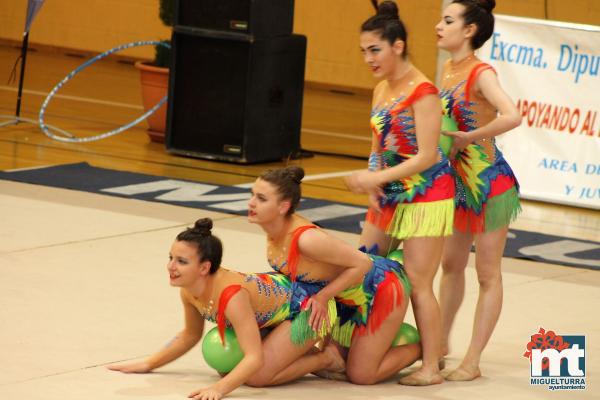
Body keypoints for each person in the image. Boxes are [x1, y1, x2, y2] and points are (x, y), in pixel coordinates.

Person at [108, 218, 343, 400]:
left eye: (182, 261)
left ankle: (326, 358)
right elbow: (190, 335)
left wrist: (219, 389)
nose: (171, 266)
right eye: (171, 257)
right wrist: (149, 363)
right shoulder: (189, 290)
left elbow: (254, 357)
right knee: (228, 368)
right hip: (276, 317)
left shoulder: (232, 297)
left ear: (204, 267)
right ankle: (295, 351)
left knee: (257, 376)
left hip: (309, 309)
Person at [345, 0, 455, 386]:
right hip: (390, 188)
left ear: (398, 46)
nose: (368, 58)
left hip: (429, 194)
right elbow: (378, 146)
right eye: (363, 51)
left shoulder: (423, 92)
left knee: (419, 281)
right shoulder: (381, 89)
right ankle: (353, 346)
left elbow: (426, 155)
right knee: (361, 264)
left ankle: (431, 363)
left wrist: (376, 178)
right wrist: (374, 181)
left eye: (375, 49)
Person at [248, 165, 421, 385]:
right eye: (252, 195)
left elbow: (362, 263)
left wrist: (322, 297)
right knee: (344, 364)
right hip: (341, 297)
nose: (251, 203)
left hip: (381, 289)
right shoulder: (273, 231)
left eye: (261, 198)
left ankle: (424, 349)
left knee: (361, 375)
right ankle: (336, 353)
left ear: (283, 206)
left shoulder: (306, 239)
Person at [435, 0, 522, 381]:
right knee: (450, 265)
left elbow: (513, 114)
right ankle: (439, 345)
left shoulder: (480, 72)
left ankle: (472, 360)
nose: (439, 25)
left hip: (489, 185)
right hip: (458, 184)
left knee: (488, 273)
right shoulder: (449, 70)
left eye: (448, 20)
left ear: (469, 30)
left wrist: (471, 136)